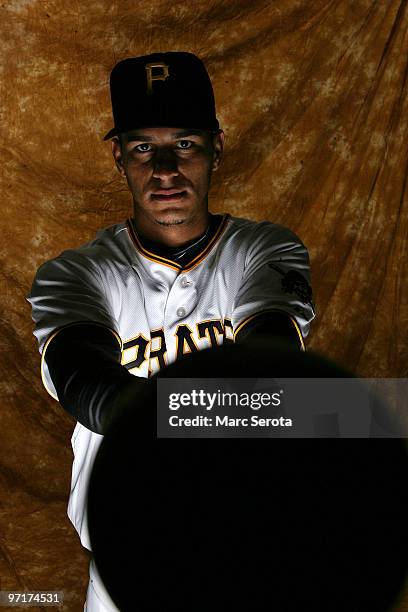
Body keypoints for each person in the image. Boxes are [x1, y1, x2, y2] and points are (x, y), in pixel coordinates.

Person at [26, 51, 315, 611]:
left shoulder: (265, 250)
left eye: (183, 143)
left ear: (217, 146)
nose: (164, 169)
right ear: (118, 156)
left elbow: (271, 358)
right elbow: (87, 385)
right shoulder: (74, 272)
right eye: (142, 147)